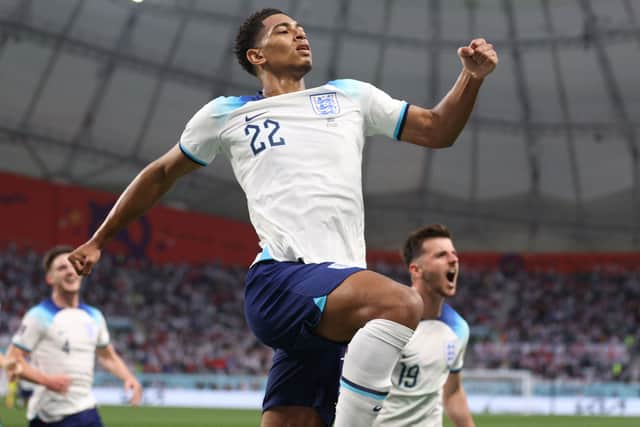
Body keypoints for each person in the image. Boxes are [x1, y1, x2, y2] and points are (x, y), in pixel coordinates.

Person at [67, 8, 498, 427]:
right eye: (283, 30)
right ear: (257, 56)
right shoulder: (226, 114)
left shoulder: (349, 96)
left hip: (334, 303)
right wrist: (98, 240)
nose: (299, 34)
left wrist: (471, 79)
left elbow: (438, 129)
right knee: (403, 303)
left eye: (301, 29)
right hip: (282, 281)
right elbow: (160, 174)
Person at [7, 245, 142, 427]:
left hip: (88, 410)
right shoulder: (38, 316)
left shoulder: (94, 316)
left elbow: (107, 356)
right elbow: (13, 361)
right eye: (61, 268)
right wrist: (46, 381)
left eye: (73, 265)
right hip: (50, 416)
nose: (70, 271)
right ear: (50, 278)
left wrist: (128, 377)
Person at [374, 224, 474, 427]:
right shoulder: (385, 322)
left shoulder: (458, 328)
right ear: (416, 270)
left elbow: (453, 392)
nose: (454, 259)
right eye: (441, 255)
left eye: (454, 254)